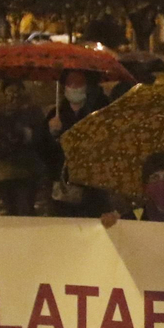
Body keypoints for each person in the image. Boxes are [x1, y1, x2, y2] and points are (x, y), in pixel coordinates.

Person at [0, 80, 54, 216]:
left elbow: (39, 138)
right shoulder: (1, 115)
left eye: (16, 92)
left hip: (25, 171)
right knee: (12, 210)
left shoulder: (32, 112)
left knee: (24, 209)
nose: (13, 96)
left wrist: (24, 132)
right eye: (9, 92)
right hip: (5, 172)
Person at [46, 70, 111, 217]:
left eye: (79, 82)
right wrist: (51, 133)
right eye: (70, 83)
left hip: (92, 187)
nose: (74, 87)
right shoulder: (56, 114)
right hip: (63, 187)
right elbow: (44, 151)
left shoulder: (99, 111)